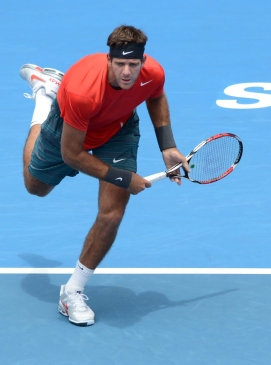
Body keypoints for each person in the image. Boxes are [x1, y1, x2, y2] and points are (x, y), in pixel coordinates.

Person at [20, 25, 189, 326]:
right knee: (36, 187)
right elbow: (72, 156)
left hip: (118, 129)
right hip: (71, 128)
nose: (127, 72)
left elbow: (156, 96)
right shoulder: (82, 90)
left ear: (142, 62)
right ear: (108, 60)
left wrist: (168, 145)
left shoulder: (153, 73)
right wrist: (125, 178)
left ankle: (72, 291)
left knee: (111, 214)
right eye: (120, 64)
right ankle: (45, 97)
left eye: (133, 65)